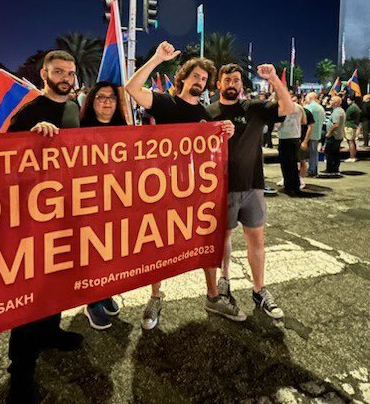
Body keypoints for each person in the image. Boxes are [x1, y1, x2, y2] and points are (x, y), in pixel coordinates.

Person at [125, 42, 237, 330]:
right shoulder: (165, 103)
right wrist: (157, 58)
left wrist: (228, 130)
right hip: (161, 188)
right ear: (183, 78)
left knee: (204, 241)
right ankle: (155, 297)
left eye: (203, 79)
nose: (199, 82)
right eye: (195, 76)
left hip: (195, 190)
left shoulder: (208, 114)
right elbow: (132, 89)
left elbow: (216, 147)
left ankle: (212, 295)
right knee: (157, 244)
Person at [4, 50, 84, 402]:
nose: (65, 77)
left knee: (58, 277)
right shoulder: (30, 111)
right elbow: (0, 156)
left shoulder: (73, 108)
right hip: (33, 213)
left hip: (67, 206)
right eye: (58, 72)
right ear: (44, 74)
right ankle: (20, 370)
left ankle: (51, 331)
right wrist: (32, 137)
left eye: (70, 72)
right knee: (30, 291)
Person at [207, 63, 292, 320]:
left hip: (253, 186)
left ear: (241, 85)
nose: (231, 84)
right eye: (227, 80)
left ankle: (259, 290)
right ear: (219, 84)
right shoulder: (209, 113)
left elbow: (287, 107)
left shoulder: (254, 108)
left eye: (236, 80)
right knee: (223, 239)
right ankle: (225, 279)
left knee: (256, 240)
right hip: (221, 189)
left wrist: (274, 79)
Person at [78, 81, 126, 330]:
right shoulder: (78, 128)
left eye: (111, 98)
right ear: (91, 101)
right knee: (91, 251)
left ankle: (104, 290)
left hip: (116, 198)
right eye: (101, 97)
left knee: (111, 249)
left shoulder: (124, 128)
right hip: (88, 200)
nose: (107, 102)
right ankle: (91, 301)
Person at [276, 95, 310, 196]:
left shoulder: (282, 107)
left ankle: (289, 187)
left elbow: (277, 124)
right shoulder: (299, 107)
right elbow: (304, 121)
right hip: (296, 137)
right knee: (294, 163)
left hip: (284, 137)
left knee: (286, 164)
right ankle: (296, 185)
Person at [303, 92, 325, 177]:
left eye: (306, 97)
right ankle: (313, 169)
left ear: (310, 98)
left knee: (307, 154)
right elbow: (323, 120)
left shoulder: (308, 108)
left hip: (308, 134)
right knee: (314, 152)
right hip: (317, 133)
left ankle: (311, 170)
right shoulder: (321, 108)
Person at [323, 95, 346, 176]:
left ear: (336, 103)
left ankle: (330, 169)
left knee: (330, 153)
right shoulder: (339, 110)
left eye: (332, 100)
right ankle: (334, 168)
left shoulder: (337, 112)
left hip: (334, 136)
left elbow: (336, 125)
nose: (330, 101)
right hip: (337, 136)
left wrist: (329, 133)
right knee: (335, 153)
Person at [344, 95, 361, 162]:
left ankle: (352, 157)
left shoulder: (351, 108)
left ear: (352, 100)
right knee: (353, 141)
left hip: (349, 125)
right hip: (354, 125)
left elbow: (346, 116)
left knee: (350, 141)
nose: (348, 101)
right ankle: (353, 156)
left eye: (349, 100)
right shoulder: (356, 107)